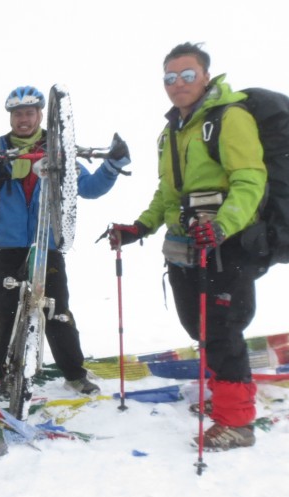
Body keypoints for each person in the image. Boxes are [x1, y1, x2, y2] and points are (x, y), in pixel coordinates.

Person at [108, 42, 266, 451]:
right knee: (198, 326)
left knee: (223, 329)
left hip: (224, 245)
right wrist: (139, 227)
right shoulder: (171, 131)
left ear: (206, 76)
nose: (178, 84)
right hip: (185, 244)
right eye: (170, 77)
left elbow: (250, 181)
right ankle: (225, 396)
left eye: (188, 75)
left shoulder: (230, 118)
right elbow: (168, 192)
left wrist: (223, 227)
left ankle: (237, 422)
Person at [0, 85, 131, 397]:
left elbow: (89, 187)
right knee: (7, 316)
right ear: (10, 118)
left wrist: (112, 166)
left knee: (58, 313)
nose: (23, 119)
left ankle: (75, 374)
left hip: (48, 246)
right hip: (8, 246)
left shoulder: (59, 152)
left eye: (29, 113)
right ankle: (7, 378)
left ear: (41, 114)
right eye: (17, 114)